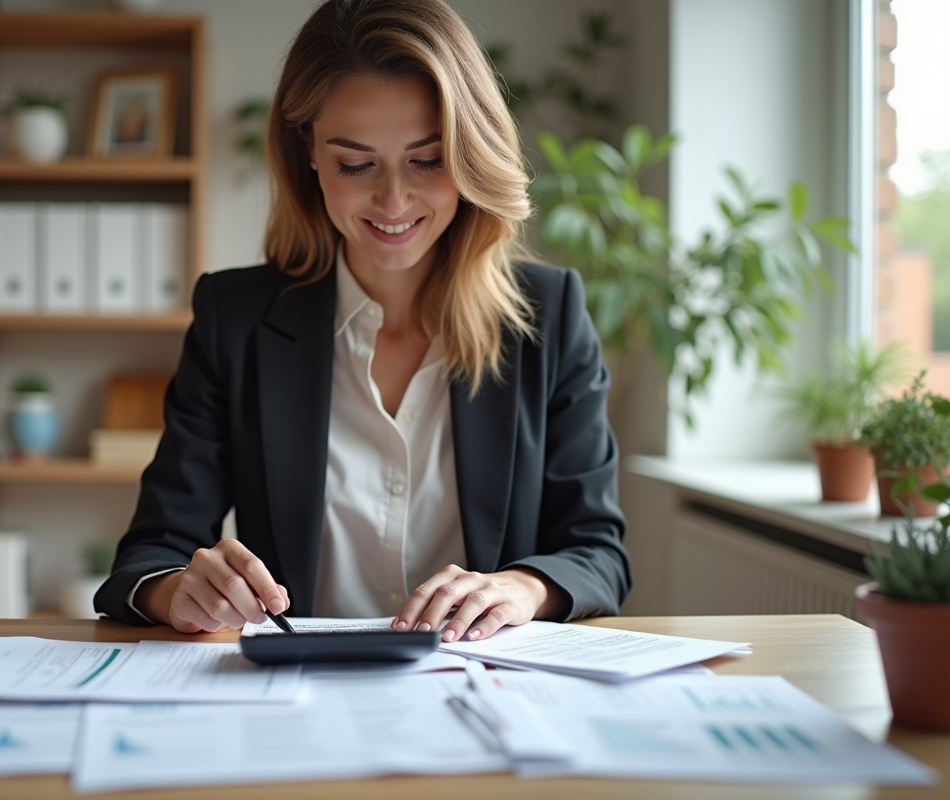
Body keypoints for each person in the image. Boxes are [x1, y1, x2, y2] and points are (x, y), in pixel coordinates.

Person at [94, 0, 631, 643]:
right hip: (299, 693)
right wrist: (179, 588)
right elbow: (149, 556)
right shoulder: (234, 318)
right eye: (356, 163)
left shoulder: (551, 314)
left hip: (484, 692)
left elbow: (598, 553)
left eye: (428, 160)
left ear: (469, 156)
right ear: (310, 154)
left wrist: (519, 587)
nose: (394, 200)